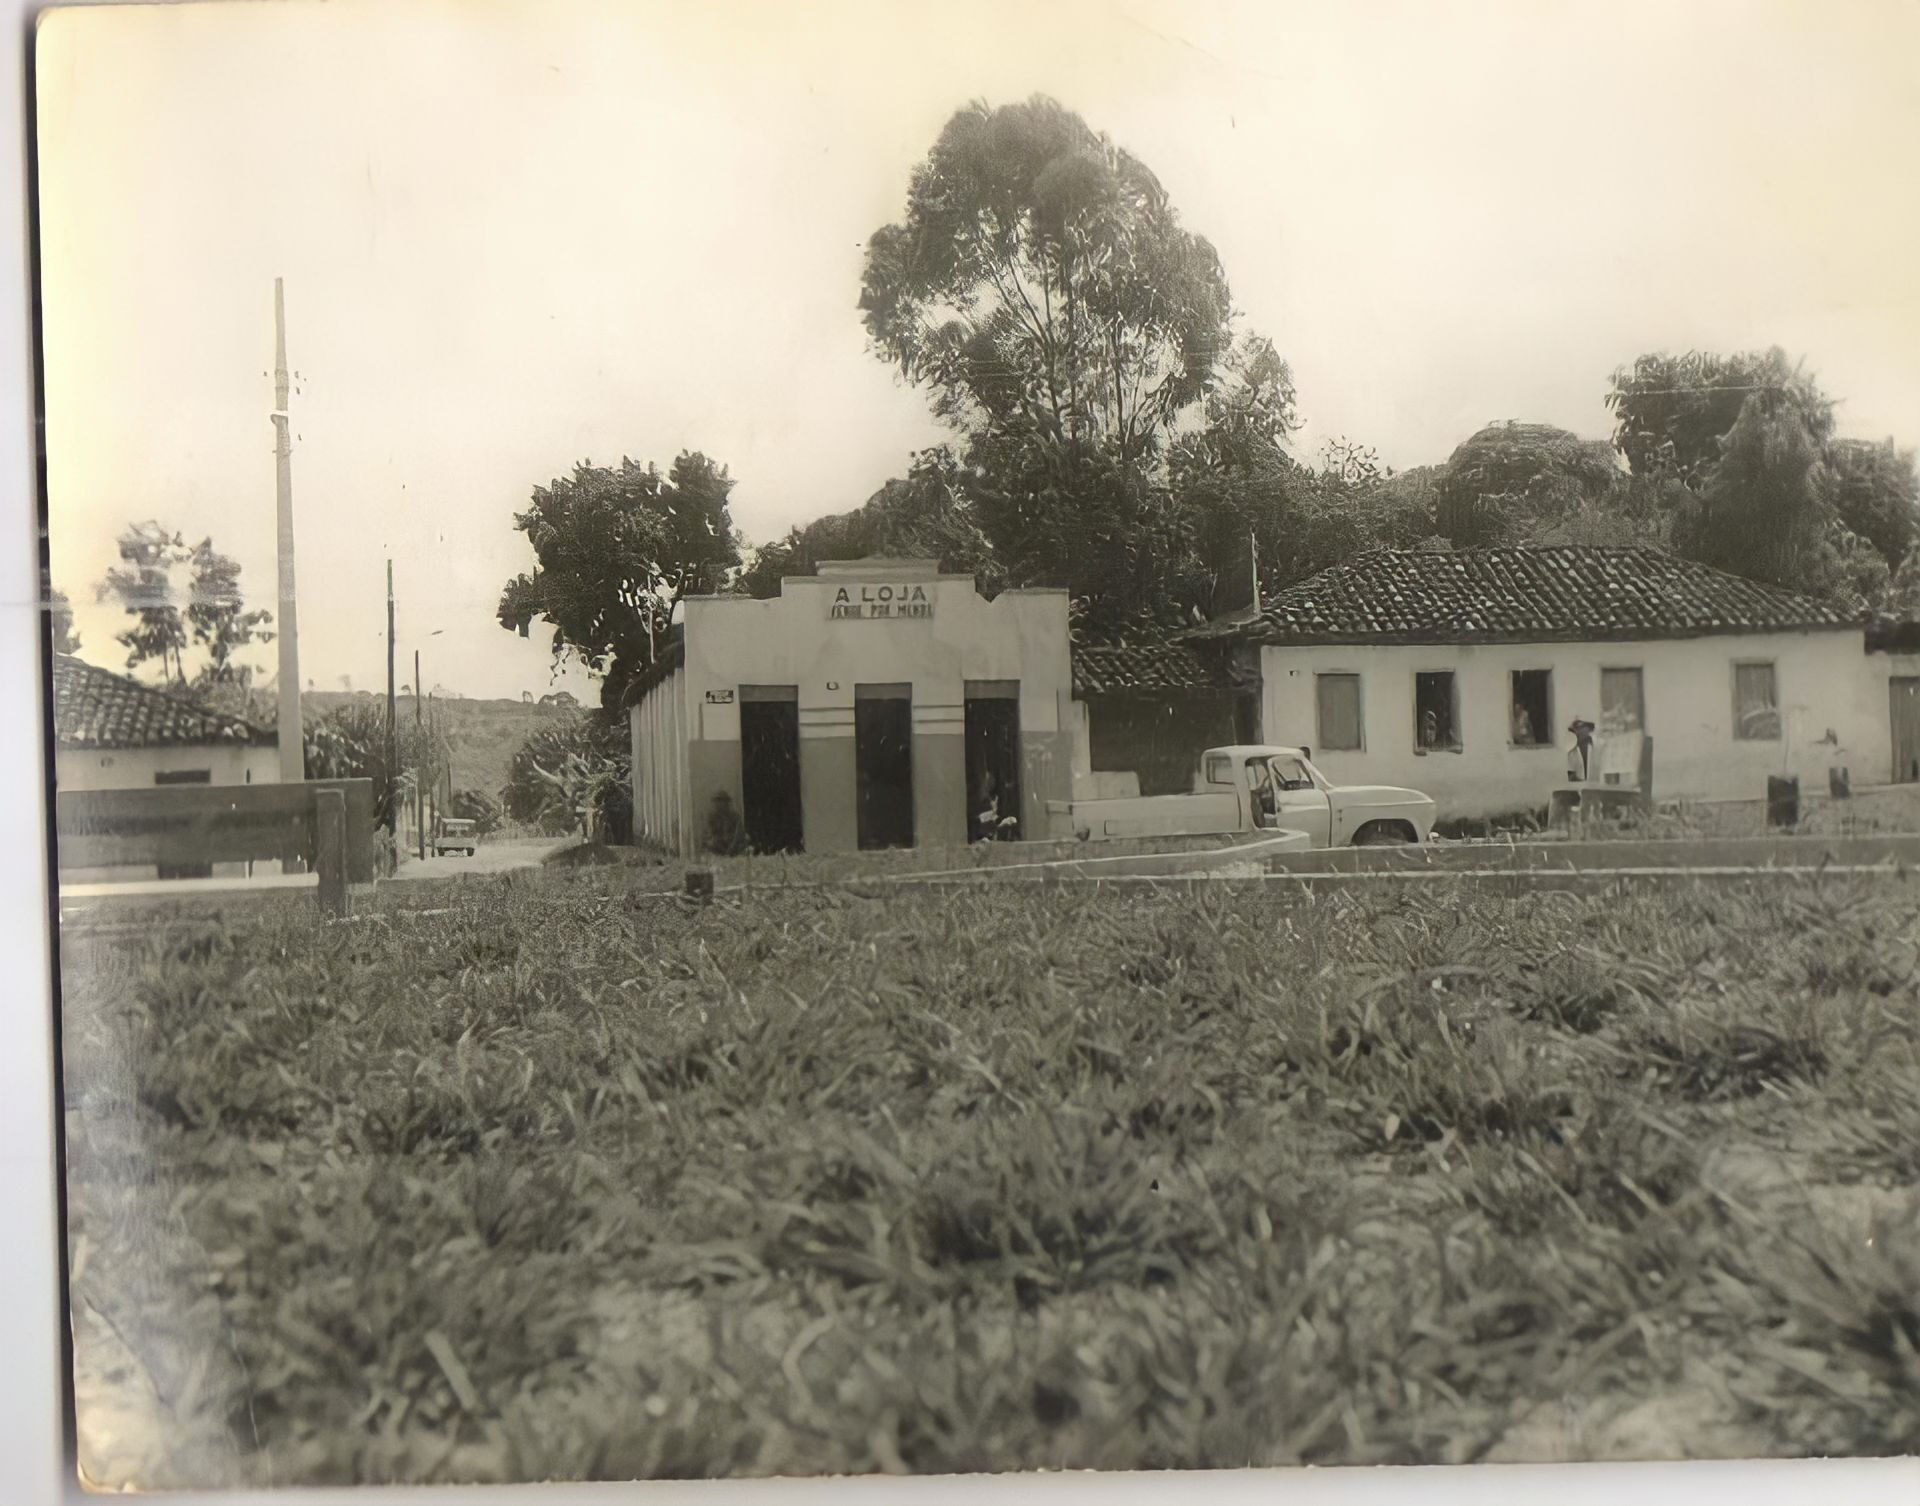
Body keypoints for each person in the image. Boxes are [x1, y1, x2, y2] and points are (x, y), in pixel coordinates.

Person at [1566, 718, 1596, 782]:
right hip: (1580, 788)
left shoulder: (1598, 747)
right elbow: (1571, 776)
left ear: (1589, 729)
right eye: (1577, 729)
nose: (1580, 731)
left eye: (1582, 728)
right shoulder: (1571, 752)